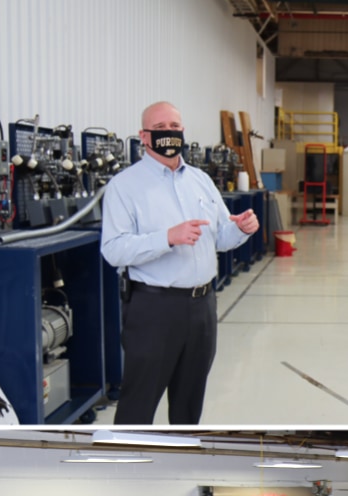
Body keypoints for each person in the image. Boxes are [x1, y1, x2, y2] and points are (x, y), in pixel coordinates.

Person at [101, 100, 260, 424]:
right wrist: (166, 238)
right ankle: (126, 465)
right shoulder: (124, 186)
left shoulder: (200, 181)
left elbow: (220, 237)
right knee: (138, 405)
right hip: (154, 309)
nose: (169, 134)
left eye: (174, 127)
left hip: (202, 308)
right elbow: (113, 251)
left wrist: (241, 229)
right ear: (143, 136)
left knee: (189, 406)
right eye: (160, 129)